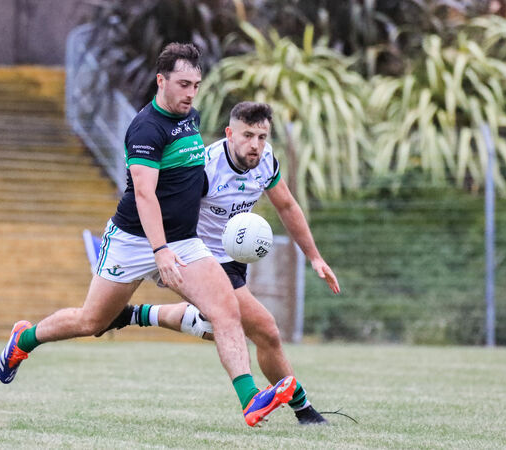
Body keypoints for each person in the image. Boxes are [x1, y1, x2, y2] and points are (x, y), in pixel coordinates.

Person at [0, 43, 296, 428]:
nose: (191, 93)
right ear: (161, 81)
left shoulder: (190, 118)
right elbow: (144, 194)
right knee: (93, 322)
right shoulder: (146, 129)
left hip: (184, 241)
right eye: (183, 84)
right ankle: (24, 340)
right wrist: (159, 251)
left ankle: (250, 400)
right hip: (134, 240)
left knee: (226, 312)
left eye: (196, 85)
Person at [100, 101, 340, 424]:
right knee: (265, 329)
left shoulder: (265, 160)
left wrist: (314, 256)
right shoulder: (205, 168)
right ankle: (304, 409)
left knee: (217, 329)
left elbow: (286, 205)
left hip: (236, 259)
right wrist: (161, 250)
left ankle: (135, 314)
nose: (255, 144)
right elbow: (167, 205)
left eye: (262, 137)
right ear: (229, 133)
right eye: (247, 135)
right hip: (200, 255)